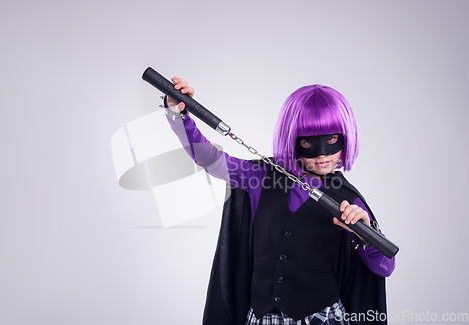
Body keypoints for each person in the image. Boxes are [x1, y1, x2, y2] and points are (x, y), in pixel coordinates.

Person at [162, 77, 396, 325]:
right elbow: (209, 159)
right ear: (292, 138)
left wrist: (365, 235)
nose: (323, 154)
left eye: (331, 140)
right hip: (263, 318)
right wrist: (178, 115)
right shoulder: (260, 178)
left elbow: (384, 267)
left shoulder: (348, 199)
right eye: (308, 142)